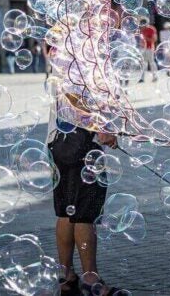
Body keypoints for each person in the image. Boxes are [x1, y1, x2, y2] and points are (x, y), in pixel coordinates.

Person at [48, 98, 118, 294]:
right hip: (81, 142)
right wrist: (101, 126)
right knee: (85, 211)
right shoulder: (81, 65)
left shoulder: (61, 66)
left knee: (67, 209)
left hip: (60, 140)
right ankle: (90, 279)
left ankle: (67, 277)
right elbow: (73, 98)